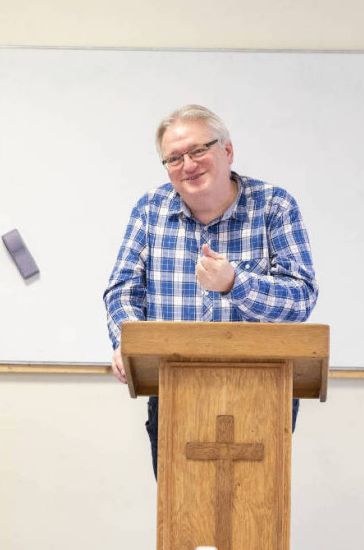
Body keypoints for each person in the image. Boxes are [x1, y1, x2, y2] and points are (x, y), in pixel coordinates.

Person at [103, 104, 318, 479]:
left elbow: (300, 298)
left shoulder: (274, 206)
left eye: (198, 150)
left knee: (256, 510)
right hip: (173, 390)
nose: (187, 165)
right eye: (174, 158)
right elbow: (122, 290)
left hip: (261, 394)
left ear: (227, 151)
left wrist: (235, 283)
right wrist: (127, 339)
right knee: (178, 509)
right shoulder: (150, 210)